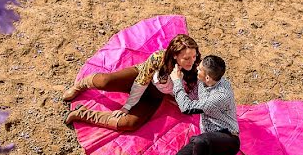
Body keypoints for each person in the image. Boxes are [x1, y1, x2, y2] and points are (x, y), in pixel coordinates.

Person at [62, 33, 200, 131]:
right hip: (141, 78)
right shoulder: (159, 58)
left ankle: (82, 113)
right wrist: (127, 106)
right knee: (105, 81)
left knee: (129, 123)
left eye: (194, 56)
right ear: (175, 55)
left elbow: (188, 102)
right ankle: (80, 85)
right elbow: (141, 81)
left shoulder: (197, 71)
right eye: (187, 58)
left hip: (155, 96)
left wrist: (177, 82)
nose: (192, 61)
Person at [168, 55, 240, 155]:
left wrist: (176, 82)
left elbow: (186, 108)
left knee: (200, 140)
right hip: (206, 140)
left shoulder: (220, 95)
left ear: (207, 77)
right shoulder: (208, 79)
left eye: (199, 69)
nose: (196, 69)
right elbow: (190, 70)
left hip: (227, 140)